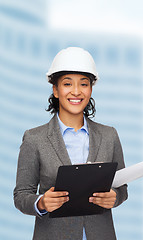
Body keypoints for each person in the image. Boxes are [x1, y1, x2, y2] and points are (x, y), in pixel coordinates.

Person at [13, 47, 128, 240]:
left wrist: (114, 197)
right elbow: (21, 195)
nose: (76, 91)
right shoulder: (35, 139)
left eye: (84, 84)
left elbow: (121, 188)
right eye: (67, 84)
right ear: (56, 90)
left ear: (91, 89)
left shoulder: (109, 136)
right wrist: (41, 203)